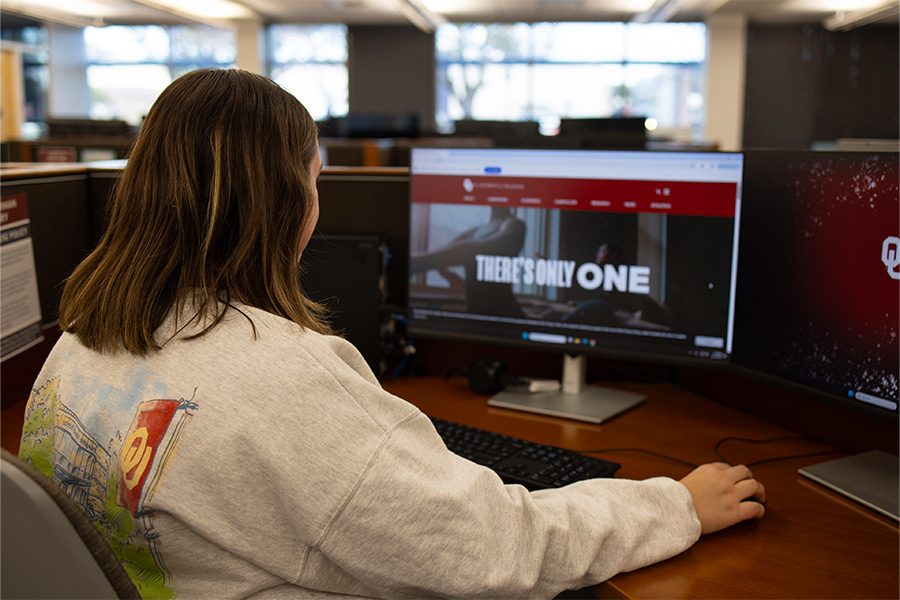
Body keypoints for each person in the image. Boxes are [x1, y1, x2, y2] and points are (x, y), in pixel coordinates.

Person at [19, 68, 765, 599]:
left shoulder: (79, 343)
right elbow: (497, 551)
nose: (318, 200)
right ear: (287, 203)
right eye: (313, 181)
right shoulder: (282, 383)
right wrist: (677, 505)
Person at [410, 205, 528, 318]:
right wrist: (456, 281)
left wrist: (418, 262)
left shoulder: (514, 224)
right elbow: (443, 257)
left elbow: (495, 245)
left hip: (504, 318)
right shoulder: (476, 231)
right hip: (475, 317)